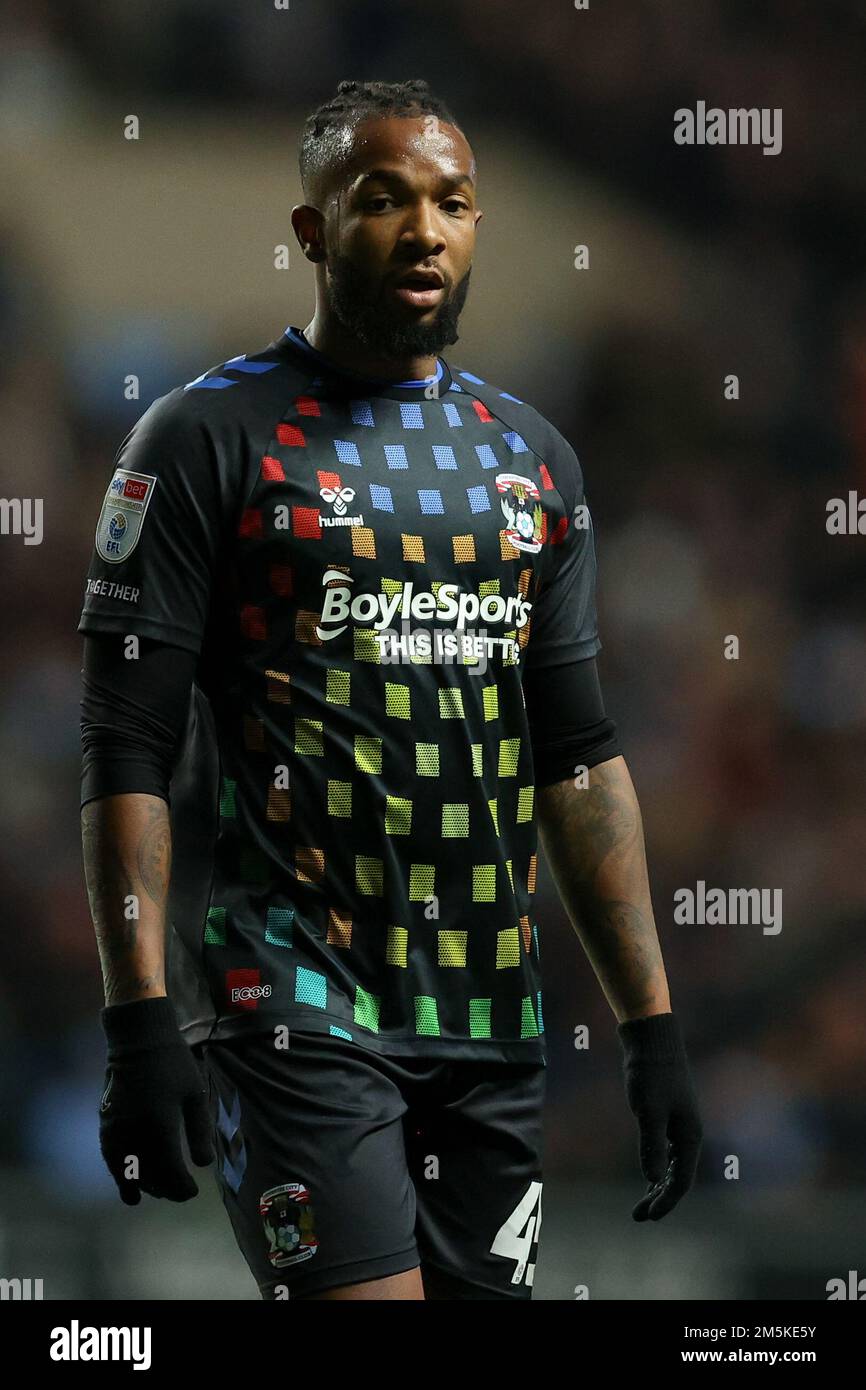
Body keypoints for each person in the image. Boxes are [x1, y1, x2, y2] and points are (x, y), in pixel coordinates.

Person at [79, 78, 702, 1301]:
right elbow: (124, 743)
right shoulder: (208, 437)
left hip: (485, 1017)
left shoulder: (531, 460)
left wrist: (649, 1028)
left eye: (452, 202)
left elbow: (574, 755)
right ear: (313, 233)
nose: (424, 229)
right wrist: (137, 1019)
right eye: (383, 200)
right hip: (289, 992)